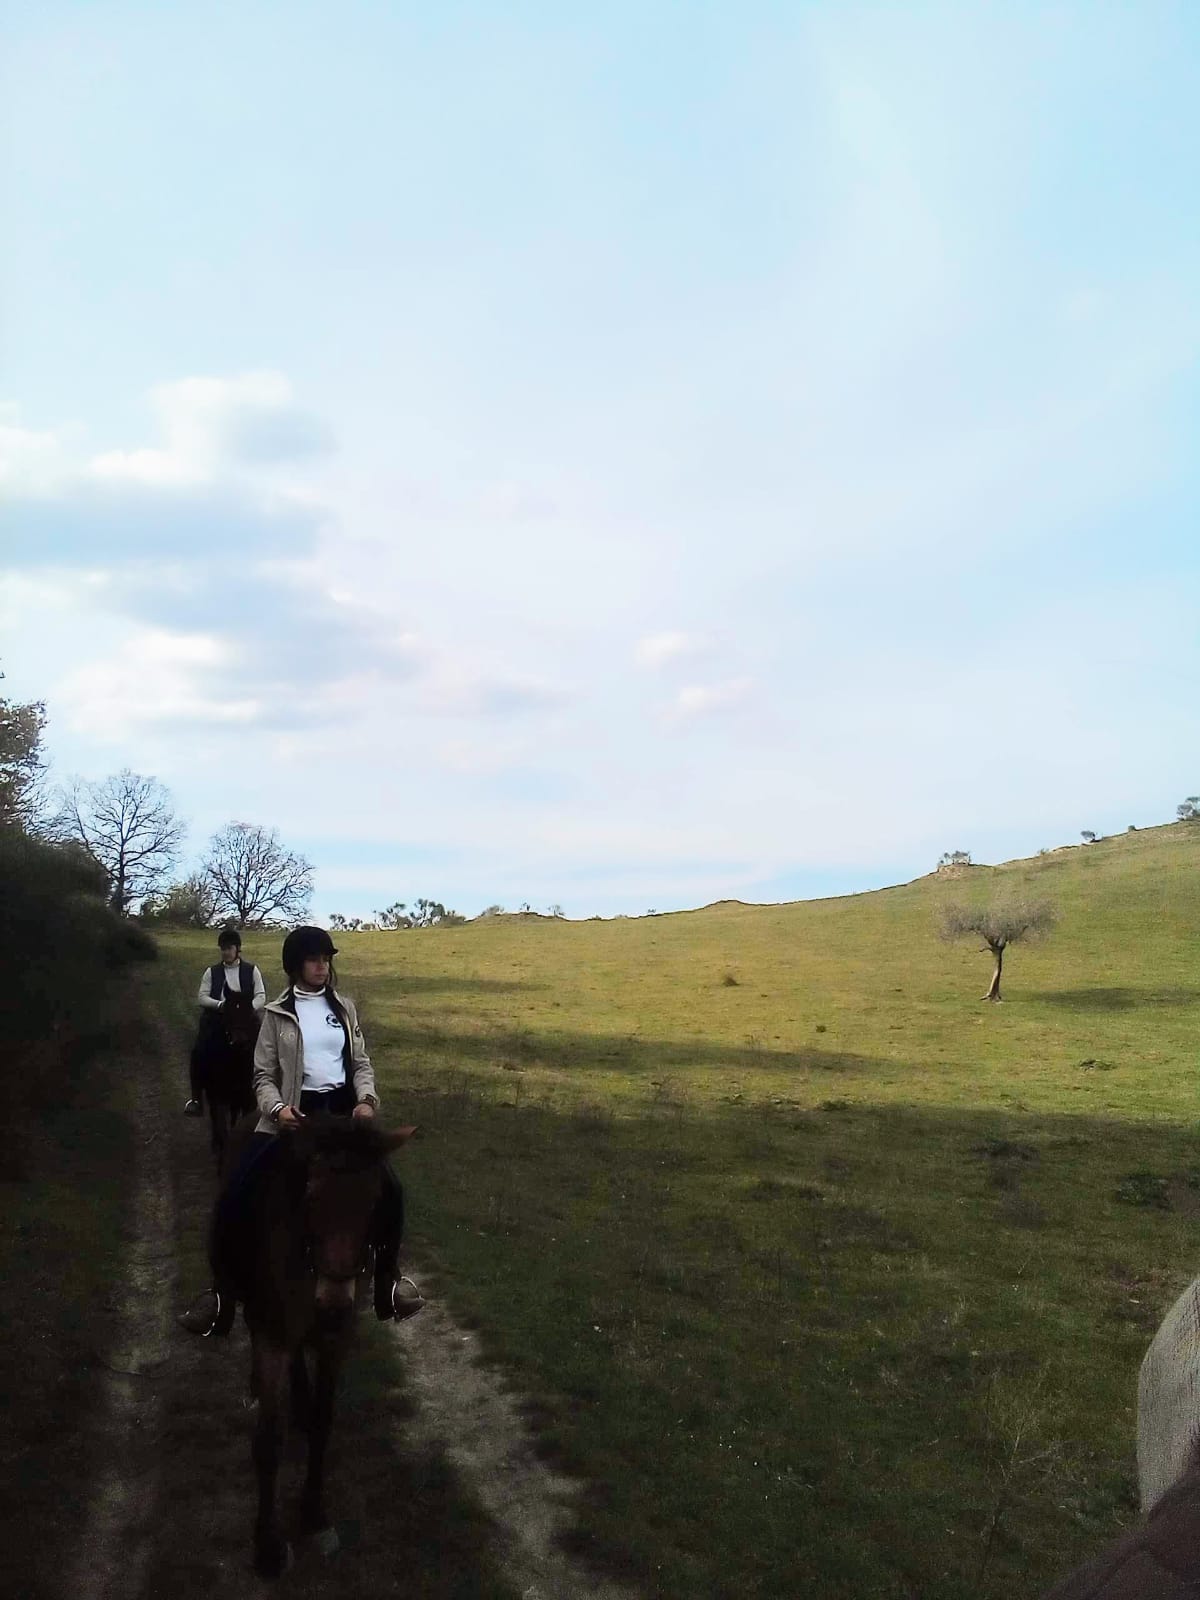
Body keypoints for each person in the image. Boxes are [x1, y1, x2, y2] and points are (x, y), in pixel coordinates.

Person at [177, 924, 421, 1336]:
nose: (322, 966)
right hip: (293, 1117)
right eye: (314, 959)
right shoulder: (274, 1014)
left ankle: (388, 1282)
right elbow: (262, 1074)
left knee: (391, 1189)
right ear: (295, 966)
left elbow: (360, 1063)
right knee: (236, 1187)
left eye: (326, 959)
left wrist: (366, 1100)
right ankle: (221, 1295)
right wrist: (276, 1108)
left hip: (343, 1118)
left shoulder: (344, 1008)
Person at [184, 927, 266, 1116]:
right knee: (198, 1050)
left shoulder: (252, 970)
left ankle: (262, 1091)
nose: (225, 952)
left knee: (264, 1047)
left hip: (244, 1017)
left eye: (229, 948)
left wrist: (246, 1010)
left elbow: (261, 995)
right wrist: (220, 1005)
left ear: (237, 949)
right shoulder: (212, 972)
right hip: (218, 1016)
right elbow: (202, 997)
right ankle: (196, 1098)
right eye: (223, 948)